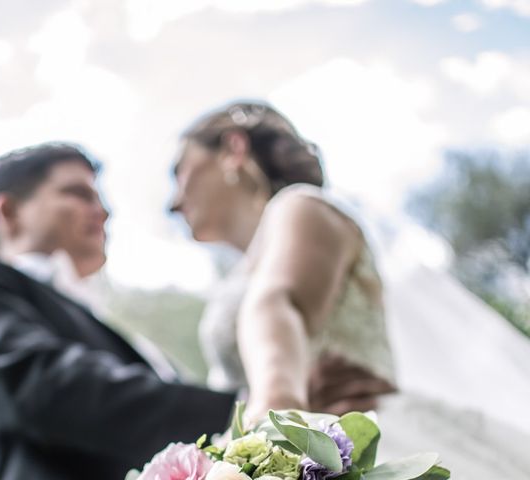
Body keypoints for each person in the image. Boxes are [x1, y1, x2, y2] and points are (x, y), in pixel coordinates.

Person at [170, 101, 530, 478]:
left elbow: (279, 303)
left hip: (352, 446)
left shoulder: (299, 206)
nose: (174, 202)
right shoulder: (238, 275)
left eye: (180, 171)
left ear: (233, 149)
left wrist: (279, 428)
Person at [0, 143, 237, 480]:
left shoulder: (90, 312)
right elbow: (31, 383)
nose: (103, 211)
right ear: (7, 212)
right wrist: (239, 414)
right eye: (78, 194)